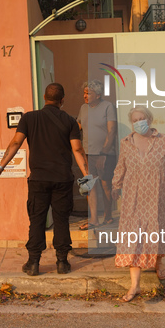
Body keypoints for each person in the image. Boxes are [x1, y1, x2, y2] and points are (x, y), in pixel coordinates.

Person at [0, 83, 88, 276]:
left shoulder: (29, 118)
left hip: (38, 179)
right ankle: (62, 263)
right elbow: (77, 149)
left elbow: (15, 142)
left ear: (44, 97)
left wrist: (0, 166)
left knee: (37, 220)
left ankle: (33, 263)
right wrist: (87, 176)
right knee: (61, 220)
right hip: (62, 179)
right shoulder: (69, 121)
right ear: (62, 100)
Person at [111, 107, 165, 302]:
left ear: (149, 120)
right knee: (132, 237)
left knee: (157, 231)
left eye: (142, 118)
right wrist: (115, 186)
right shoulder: (126, 143)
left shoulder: (164, 140)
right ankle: (135, 285)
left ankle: (158, 262)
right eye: (135, 119)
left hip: (157, 197)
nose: (139, 122)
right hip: (132, 199)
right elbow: (121, 166)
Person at [76, 80, 117, 230]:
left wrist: (104, 153)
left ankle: (108, 214)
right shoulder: (83, 108)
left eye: (89, 93)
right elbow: (78, 126)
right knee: (88, 185)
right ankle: (94, 219)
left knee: (106, 185)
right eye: (85, 93)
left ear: (98, 95)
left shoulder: (108, 107)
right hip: (87, 153)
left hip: (104, 154)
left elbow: (111, 131)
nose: (85, 96)